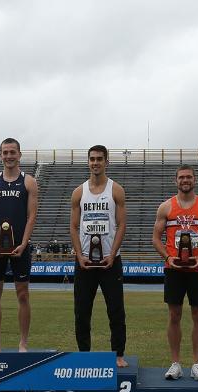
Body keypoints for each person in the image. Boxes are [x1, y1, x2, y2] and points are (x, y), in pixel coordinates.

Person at [152, 165, 198, 380]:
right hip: (174, 269)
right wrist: (168, 257)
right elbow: (156, 237)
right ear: (176, 181)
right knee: (174, 315)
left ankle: (197, 364)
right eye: (181, 177)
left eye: (189, 177)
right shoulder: (165, 208)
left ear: (195, 179)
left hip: (197, 269)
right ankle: (175, 363)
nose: (185, 180)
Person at [69, 145, 128, 368]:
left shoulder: (116, 190)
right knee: (82, 311)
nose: (95, 163)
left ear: (106, 162)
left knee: (116, 310)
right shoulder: (78, 192)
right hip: (84, 262)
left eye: (99, 159)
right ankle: (84, 354)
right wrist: (79, 255)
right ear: (88, 162)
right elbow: (74, 227)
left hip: (110, 262)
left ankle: (118, 355)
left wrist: (112, 254)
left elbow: (122, 224)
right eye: (92, 159)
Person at [0, 138, 38, 352]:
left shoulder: (29, 182)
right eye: (5, 152)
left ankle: (23, 343)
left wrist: (24, 243)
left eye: (12, 152)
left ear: (19, 154)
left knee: (23, 293)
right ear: (0, 155)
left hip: (20, 247)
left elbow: (31, 216)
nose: (8, 156)